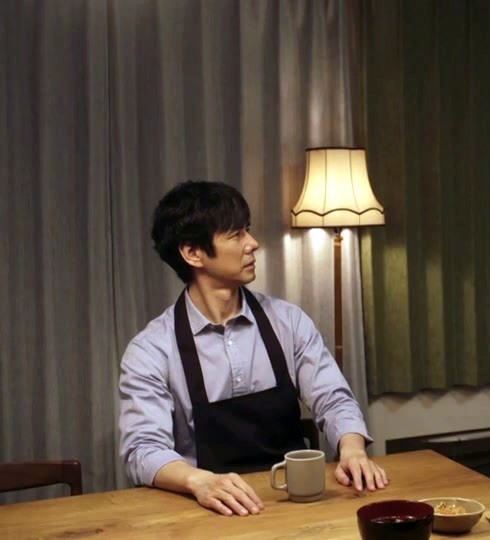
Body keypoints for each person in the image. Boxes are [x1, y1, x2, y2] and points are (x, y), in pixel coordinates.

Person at [119, 181, 388, 517]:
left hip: (293, 502)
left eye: (248, 230)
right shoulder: (151, 350)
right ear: (192, 253)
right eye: (236, 235)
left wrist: (352, 448)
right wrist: (199, 482)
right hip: (207, 511)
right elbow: (142, 450)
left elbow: (334, 399)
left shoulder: (288, 321)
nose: (253, 243)